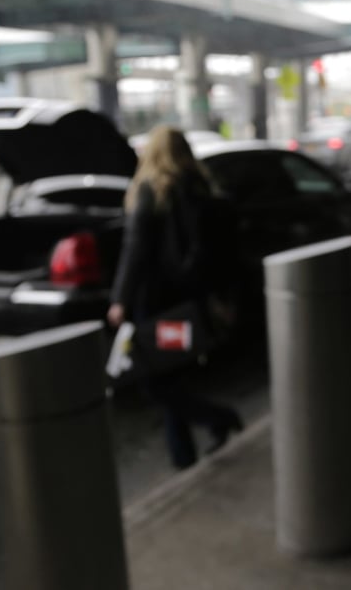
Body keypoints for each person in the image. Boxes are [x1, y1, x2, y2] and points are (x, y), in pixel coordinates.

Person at [108, 125, 243, 469]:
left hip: (155, 303)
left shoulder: (151, 190)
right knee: (170, 374)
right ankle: (183, 458)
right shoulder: (201, 188)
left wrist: (120, 298)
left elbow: (135, 249)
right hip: (186, 302)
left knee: (154, 382)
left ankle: (219, 418)